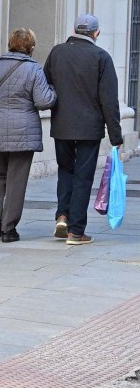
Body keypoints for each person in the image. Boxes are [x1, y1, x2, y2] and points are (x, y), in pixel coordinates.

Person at [0, 27, 56, 243]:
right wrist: (53, 90)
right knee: (17, 179)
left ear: (10, 44)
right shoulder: (35, 70)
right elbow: (44, 101)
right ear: (31, 48)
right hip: (24, 132)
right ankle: (8, 228)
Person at [43, 13, 124, 245]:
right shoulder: (101, 57)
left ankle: (62, 215)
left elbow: (46, 83)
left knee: (65, 171)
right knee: (83, 176)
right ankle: (76, 232)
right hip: (89, 127)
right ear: (96, 33)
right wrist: (116, 134)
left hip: (62, 125)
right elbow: (109, 100)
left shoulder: (57, 52)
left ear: (74, 30)